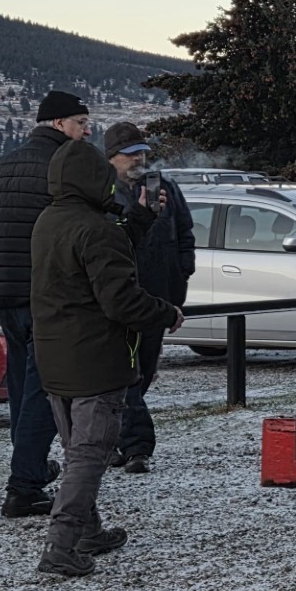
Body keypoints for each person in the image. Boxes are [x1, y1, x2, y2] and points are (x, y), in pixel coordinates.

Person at [29, 138, 181, 577]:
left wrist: (140, 218)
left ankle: (88, 531)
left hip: (56, 356)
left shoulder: (50, 221)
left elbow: (103, 253)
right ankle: (60, 545)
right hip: (96, 359)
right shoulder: (94, 228)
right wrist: (166, 312)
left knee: (78, 449)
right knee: (89, 455)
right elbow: (121, 301)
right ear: (94, 179)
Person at [0, 89, 92, 517]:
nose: (86, 131)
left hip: (4, 292)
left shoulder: (2, 166)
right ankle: (23, 485)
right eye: (81, 123)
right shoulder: (62, 168)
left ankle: (28, 467)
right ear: (60, 124)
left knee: (22, 388)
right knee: (45, 391)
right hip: (44, 296)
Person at [103, 122, 195, 474]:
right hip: (117, 295)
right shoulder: (99, 191)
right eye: (131, 154)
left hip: (158, 295)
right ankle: (133, 443)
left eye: (142, 152)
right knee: (121, 373)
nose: (139, 159)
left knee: (142, 372)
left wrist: (181, 273)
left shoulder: (165, 188)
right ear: (112, 158)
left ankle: (124, 441)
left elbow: (185, 233)